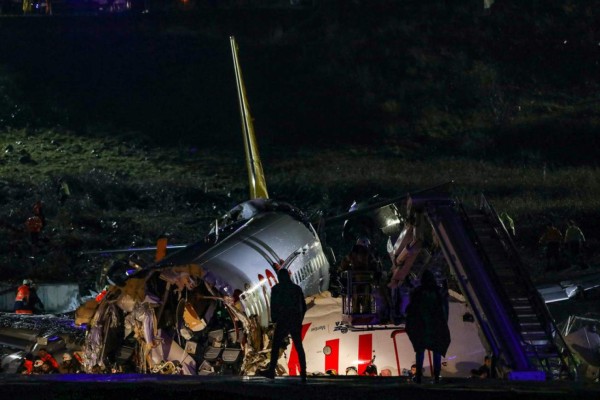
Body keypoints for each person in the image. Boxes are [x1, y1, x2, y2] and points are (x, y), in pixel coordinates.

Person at [257, 268, 307, 382]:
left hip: (283, 321)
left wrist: (274, 319)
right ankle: (303, 373)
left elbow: (273, 307)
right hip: (294, 320)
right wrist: (299, 319)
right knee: (299, 347)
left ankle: (271, 371)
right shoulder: (296, 289)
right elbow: (303, 307)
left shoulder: (276, 289)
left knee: (275, 346)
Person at [405, 269, 451, 383]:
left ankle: (419, 376)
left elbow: (412, 309)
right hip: (435, 326)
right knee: (437, 351)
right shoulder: (437, 292)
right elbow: (444, 308)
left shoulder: (418, 292)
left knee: (420, 351)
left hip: (421, 326)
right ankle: (436, 376)